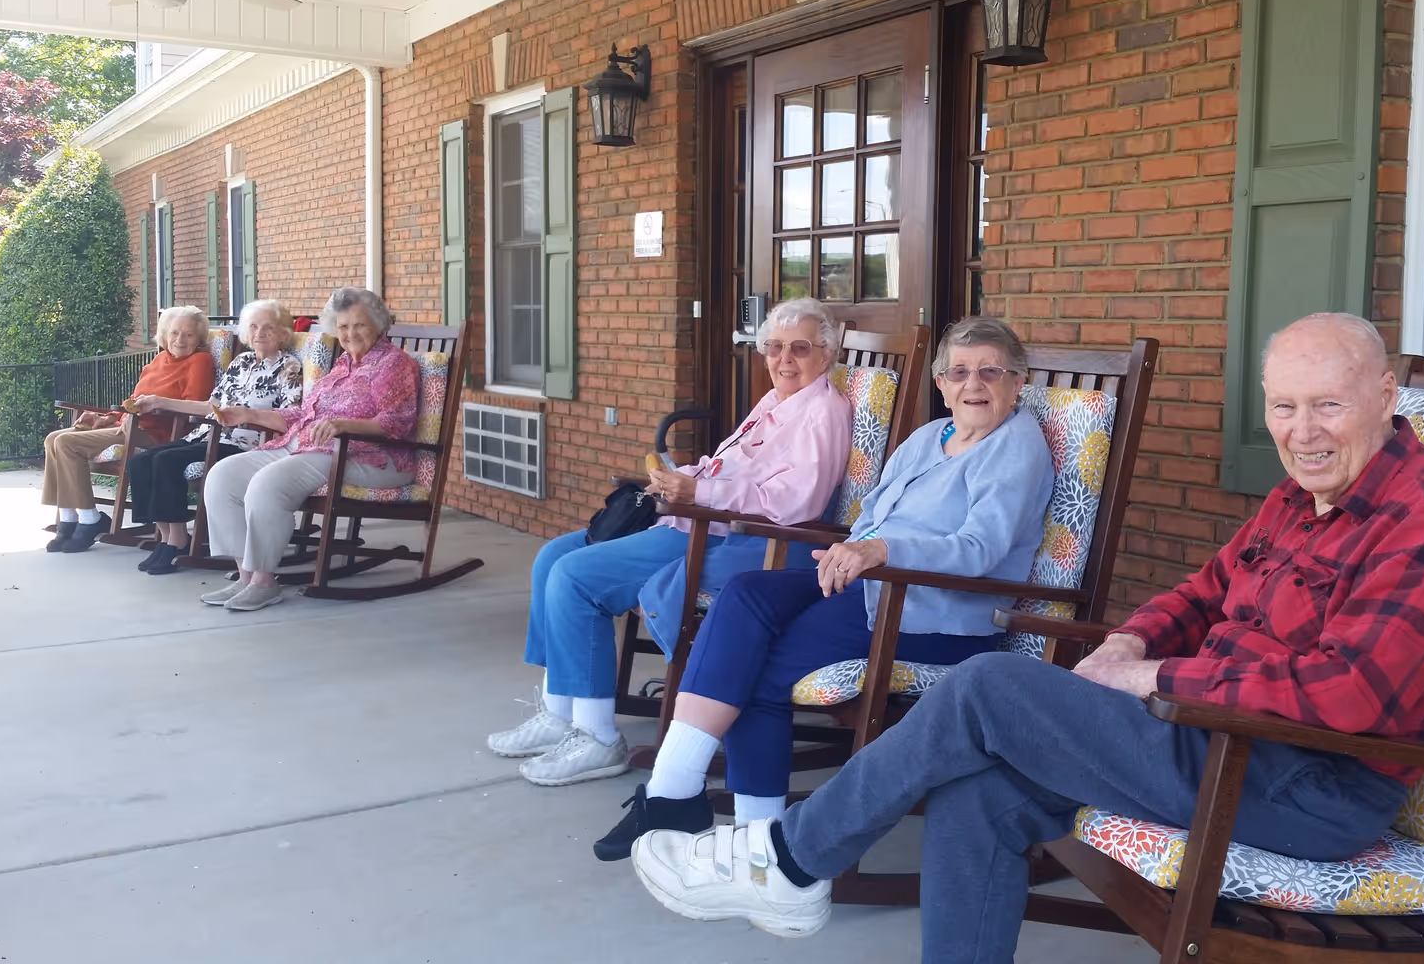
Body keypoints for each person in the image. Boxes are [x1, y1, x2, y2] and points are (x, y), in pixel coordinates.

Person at [630, 312, 1424, 956]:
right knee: (977, 796)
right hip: (1210, 738)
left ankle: (790, 859)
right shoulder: (1300, 494)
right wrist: (1132, 643)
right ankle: (796, 867)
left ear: (1386, 395)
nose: (1302, 432)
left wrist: (1156, 679)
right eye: (1284, 408)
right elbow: (1203, 591)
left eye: (1327, 406)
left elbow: (1346, 696)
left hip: (1302, 778)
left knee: (989, 688)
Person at [590, 315, 1055, 863]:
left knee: (761, 667)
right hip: (868, 584)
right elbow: (874, 512)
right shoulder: (932, 436)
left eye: (990, 371)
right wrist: (854, 547)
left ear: (1017, 380)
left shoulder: (1016, 448)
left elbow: (980, 549)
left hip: (933, 612)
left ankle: (755, 842)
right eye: (959, 372)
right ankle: (674, 790)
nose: (973, 384)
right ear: (940, 383)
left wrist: (880, 551)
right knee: (745, 594)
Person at [486, 298, 854, 788]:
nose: (784, 359)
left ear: (826, 354)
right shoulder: (776, 402)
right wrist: (681, 478)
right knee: (554, 555)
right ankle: (560, 710)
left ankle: (597, 738)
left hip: (733, 537)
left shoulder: (822, 412)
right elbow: (733, 464)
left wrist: (700, 493)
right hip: (693, 516)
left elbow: (796, 502)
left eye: (800, 348)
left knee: (576, 578)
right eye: (774, 346)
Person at [199, 287, 417, 612]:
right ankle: (245, 576)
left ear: (378, 324)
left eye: (359, 325)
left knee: (267, 485)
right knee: (222, 476)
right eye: (343, 327)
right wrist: (249, 414)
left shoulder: (394, 364)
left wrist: (346, 425)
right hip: (309, 447)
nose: (350, 333)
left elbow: (398, 422)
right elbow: (304, 416)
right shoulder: (342, 365)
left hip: (370, 458)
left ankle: (264, 581)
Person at [127, 299, 305, 575]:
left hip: (244, 443)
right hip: (209, 434)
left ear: (283, 333)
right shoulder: (240, 362)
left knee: (166, 461)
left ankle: (178, 540)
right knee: (141, 462)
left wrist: (248, 415)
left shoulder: (289, 367)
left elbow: (292, 416)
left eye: (269, 327)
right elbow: (211, 406)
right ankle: (165, 534)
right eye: (254, 326)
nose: (259, 333)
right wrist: (158, 401)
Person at [41, 305, 215, 554]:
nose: (180, 340)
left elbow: (192, 411)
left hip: (157, 436)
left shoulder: (199, 361)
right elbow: (134, 399)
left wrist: (150, 409)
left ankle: (90, 520)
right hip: (127, 425)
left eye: (188, 334)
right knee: (53, 438)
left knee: (67, 443)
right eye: (175, 333)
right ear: (165, 334)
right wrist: (106, 416)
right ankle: (68, 517)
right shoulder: (158, 360)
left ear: (199, 338)